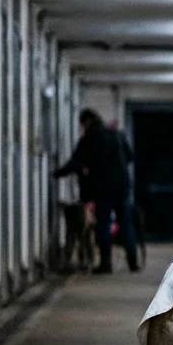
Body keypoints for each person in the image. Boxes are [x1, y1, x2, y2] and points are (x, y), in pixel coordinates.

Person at [52, 109, 142, 273]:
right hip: (122, 186)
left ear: (86, 122)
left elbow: (74, 162)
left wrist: (56, 174)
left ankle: (106, 263)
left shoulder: (89, 138)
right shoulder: (117, 134)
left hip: (103, 188)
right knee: (126, 224)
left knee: (104, 224)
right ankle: (133, 262)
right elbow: (130, 157)